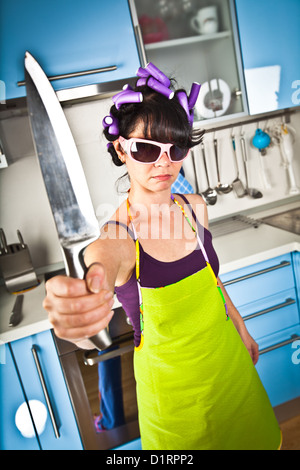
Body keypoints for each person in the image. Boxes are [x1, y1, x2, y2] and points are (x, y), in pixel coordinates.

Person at [44, 63, 281, 450]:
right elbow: (97, 271)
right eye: (146, 147)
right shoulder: (117, 236)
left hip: (231, 369)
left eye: (177, 148)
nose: (164, 162)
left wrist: (240, 325)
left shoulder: (193, 206)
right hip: (176, 402)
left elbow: (212, 281)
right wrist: (81, 315)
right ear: (121, 149)